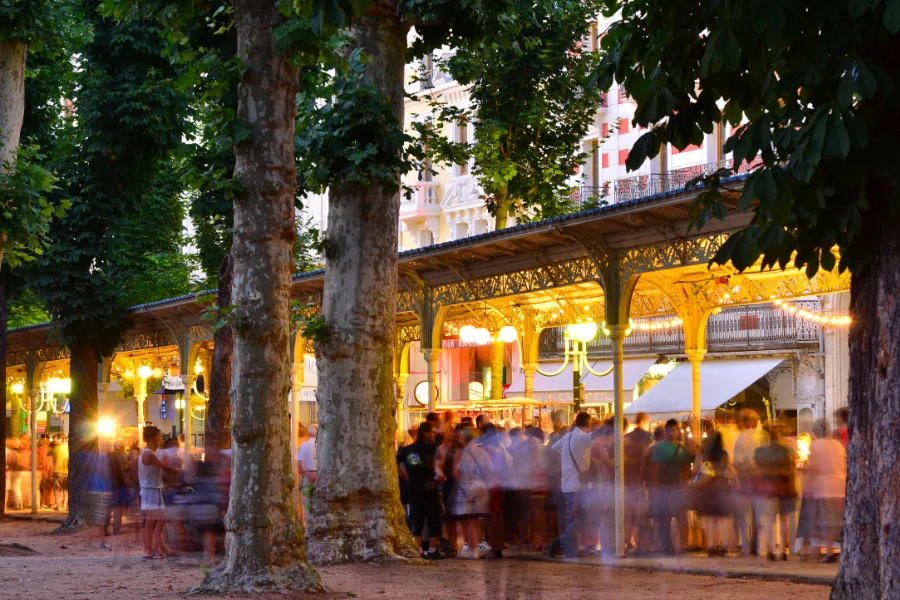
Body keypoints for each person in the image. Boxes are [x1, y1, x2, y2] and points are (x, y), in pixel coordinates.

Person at [397, 421, 446, 559]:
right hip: (429, 488)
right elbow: (433, 463)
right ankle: (432, 550)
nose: (433, 434)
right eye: (431, 432)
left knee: (416, 520)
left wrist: (405, 475)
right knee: (435, 519)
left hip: (414, 488)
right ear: (425, 433)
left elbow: (396, 460)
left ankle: (418, 551)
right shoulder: (430, 448)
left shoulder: (407, 450)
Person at [549, 411, 595, 558]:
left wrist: (565, 464)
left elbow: (553, 449)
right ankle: (560, 542)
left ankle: (571, 551)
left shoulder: (568, 437)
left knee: (572, 518)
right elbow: (595, 436)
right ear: (588, 423)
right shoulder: (582, 438)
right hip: (578, 485)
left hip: (567, 483)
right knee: (583, 517)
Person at [753, 424, 798, 561]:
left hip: (768, 487)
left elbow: (756, 466)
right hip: (785, 486)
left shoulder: (759, 451)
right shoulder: (786, 449)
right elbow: (795, 459)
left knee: (769, 520)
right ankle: (782, 550)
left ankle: (768, 549)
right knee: (784, 519)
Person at [648, 419, 691, 555]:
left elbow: (686, 468)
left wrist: (684, 483)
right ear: (666, 431)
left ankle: (680, 544)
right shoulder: (659, 448)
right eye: (670, 430)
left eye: (675, 430)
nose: (672, 433)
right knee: (664, 518)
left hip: (677, 486)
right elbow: (654, 469)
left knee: (681, 516)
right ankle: (667, 546)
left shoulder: (682, 449)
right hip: (663, 487)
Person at [690, 431, 734, 557]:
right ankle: (723, 545)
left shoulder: (703, 454)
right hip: (722, 487)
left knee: (710, 519)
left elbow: (695, 471)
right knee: (722, 519)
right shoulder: (724, 454)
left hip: (708, 489)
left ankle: (711, 546)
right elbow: (731, 470)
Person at [140, 425, 181, 559]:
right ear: (152, 438)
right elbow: (165, 468)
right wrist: (181, 471)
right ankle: (152, 549)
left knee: (151, 521)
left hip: (151, 489)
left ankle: (156, 548)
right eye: (158, 436)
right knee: (160, 519)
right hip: (151, 490)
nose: (160, 439)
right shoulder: (149, 454)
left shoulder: (146, 452)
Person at [807, 420, 846, 563]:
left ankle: (829, 552)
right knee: (839, 521)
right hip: (841, 486)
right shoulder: (838, 445)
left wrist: (809, 483)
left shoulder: (815, 445)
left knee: (826, 522)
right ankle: (844, 550)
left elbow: (814, 466)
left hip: (824, 487)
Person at [452, 426, 492, 559]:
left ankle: (474, 549)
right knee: (479, 520)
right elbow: (489, 471)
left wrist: (463, 484)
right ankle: (479, 547)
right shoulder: (483, 452)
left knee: (471, 520)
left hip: (468, 488)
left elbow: (455, 472)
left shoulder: (463, 453)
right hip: (482, 487)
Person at [732, 410, 766, 555]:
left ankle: (746, 547)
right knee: (759, 515)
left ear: (745, 422)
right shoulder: (763, 437)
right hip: (762, 479)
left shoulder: (741, 438)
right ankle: (759, 547)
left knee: (745, 517)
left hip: (746, 480)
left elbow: (737, 462)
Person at [624, 412, 653, 553]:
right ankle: (642, 543)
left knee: (629, 512)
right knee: (642, 513)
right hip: (641, 480)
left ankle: (627, 540)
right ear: (644, 421)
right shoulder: (648, 437)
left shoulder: (627, 437)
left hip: (628, 480)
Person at [297, 425, 317, 524]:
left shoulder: (303, 446)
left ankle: (308, 525)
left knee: (307, 502)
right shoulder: (325, 445)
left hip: (307, 476)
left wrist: (305, 475)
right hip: (321, 475)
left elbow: (300, 464)